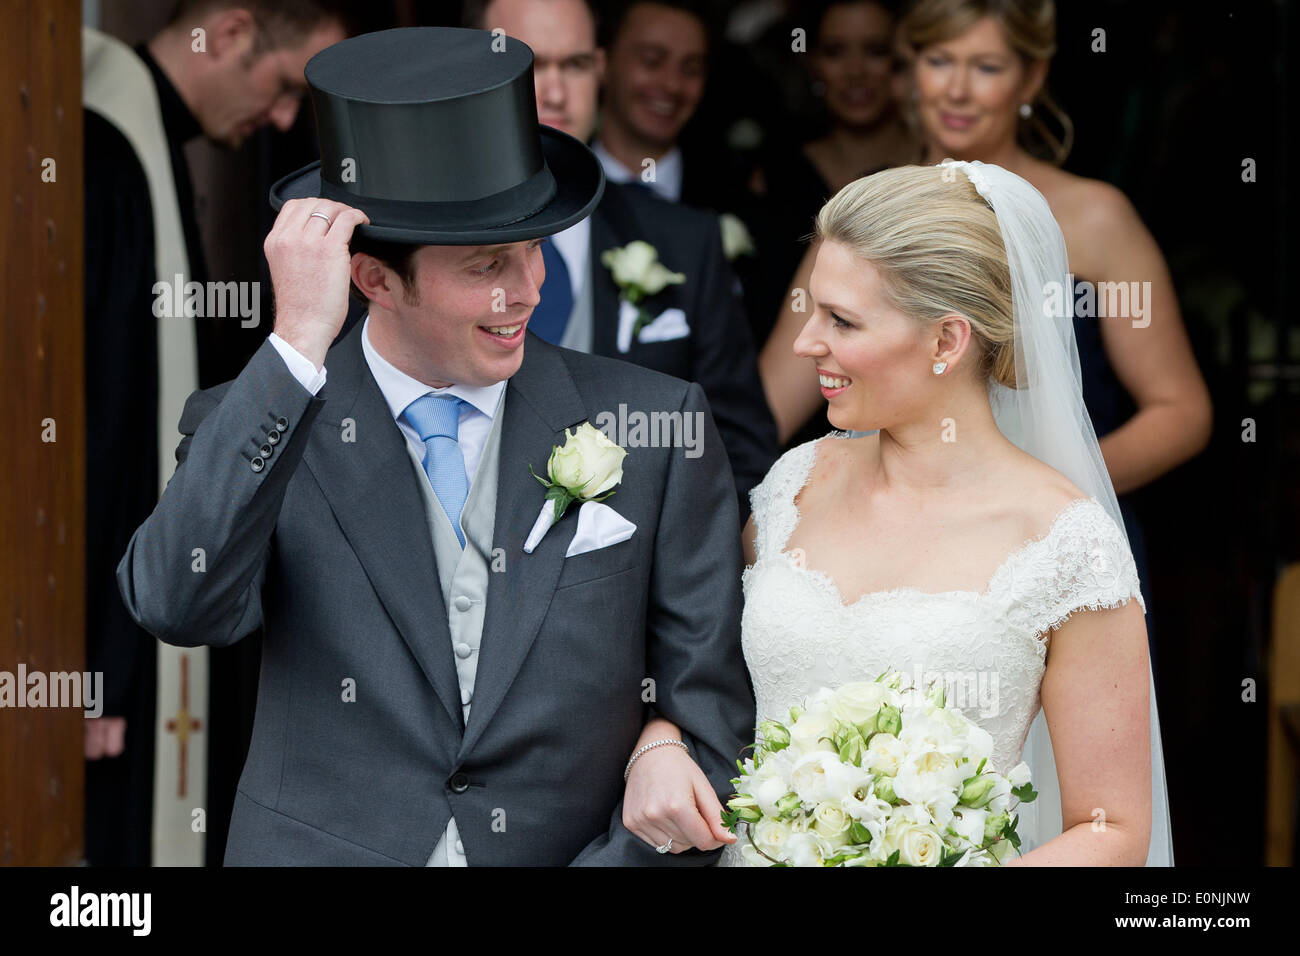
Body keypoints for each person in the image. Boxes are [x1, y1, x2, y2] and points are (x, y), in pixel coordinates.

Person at [116, 26, 754, 865]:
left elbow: (710, 719)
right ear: (375, 278)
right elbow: (175, 604)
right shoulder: (259, 419)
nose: (530, 289)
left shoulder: (657, 425)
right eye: (489, 263)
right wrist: (295, 350)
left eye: (533, 250)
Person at [638, 162, 1173, 866]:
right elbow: (699, 673)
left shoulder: (1068, 546)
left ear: (947, 341)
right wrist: (659, 741)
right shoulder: (792, 485)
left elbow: (1113, 831)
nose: (806, 344)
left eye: (842, 320)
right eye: (812, 311)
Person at [758, 0, 1210, 681]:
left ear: (1031, 80)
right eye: (939, 61)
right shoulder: (866, 216)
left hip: (1044, 549)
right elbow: (770, 399)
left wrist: (1041, 506)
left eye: (987, 66)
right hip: (883, 547)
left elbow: (1181, 411)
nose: (957, 89)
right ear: (911, 70)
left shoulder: (1095, 219)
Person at [82, 0, 345, 865]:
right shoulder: (102, 148)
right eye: (280, 87)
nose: (278, 120)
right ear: (228, 33)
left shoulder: (147, 142)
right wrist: (102, 661)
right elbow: (110, 417)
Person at [462, 0, 777, 516]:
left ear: (602, 68)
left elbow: (741, 452)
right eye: (529, 67)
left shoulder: (685, 241)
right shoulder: (415, 246)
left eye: (576, 65)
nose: (556, 91)